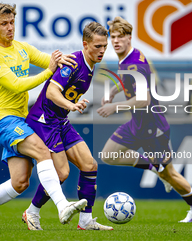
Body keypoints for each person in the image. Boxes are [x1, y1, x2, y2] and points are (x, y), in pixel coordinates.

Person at [0, 3, 87, 230]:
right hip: (1, 121)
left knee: (20, 182)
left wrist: (64, 61)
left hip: (20, 121)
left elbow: (45, 58)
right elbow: (17, 85)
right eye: (4, 24)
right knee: (42, 151)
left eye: (12, 22)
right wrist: (49, 71)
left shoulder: (21, 48)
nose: (10, 28)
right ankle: (62, 207)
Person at [96, 17, 192, 223]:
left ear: (129, 37)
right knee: (108, 154)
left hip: (153, 129)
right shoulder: (129, 57)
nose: (115, 41)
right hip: (137, 125)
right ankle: (152, 166)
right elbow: (128, 79)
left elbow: (143, 99)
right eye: (112, 37)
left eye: (120, 37)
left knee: (169, 174)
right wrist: (114, 91)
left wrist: (115, 107)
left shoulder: (135, 63)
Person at [21, 22, 113, 231]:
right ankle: (32, 212)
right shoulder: (73, 63)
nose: (102, 51)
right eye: (97, 46)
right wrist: (71, 105)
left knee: (90, 165)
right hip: (44, 121)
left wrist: (68, 108)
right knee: (61, 173)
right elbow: (53, 92)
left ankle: (85, 221)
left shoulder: (90, 66)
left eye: (104, 46)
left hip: (60, 121)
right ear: (85, 44)